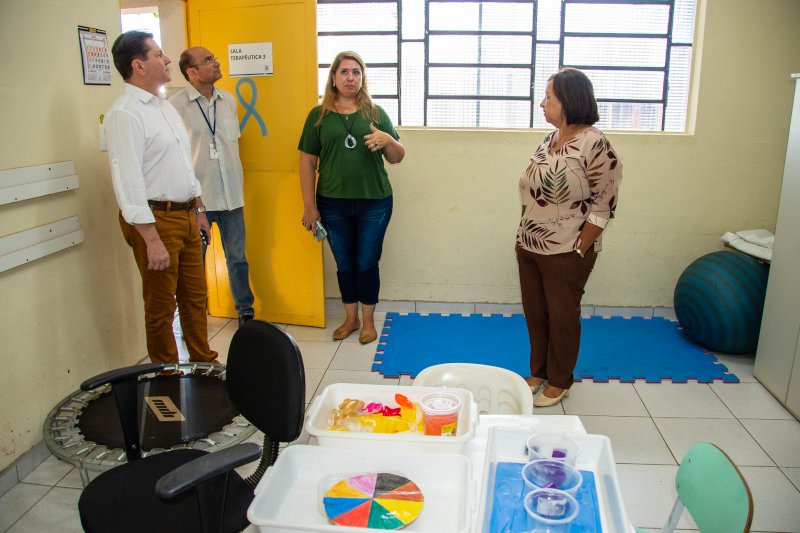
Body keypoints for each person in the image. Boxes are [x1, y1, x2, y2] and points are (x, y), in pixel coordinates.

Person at [103, 31, 218, 364]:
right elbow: (128, 182)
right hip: (156, 221)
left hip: (184, 216)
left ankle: (203, 364)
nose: (168, 59)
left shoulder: (163, 106)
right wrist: (150, 239)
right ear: (138, 65)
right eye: (158, 54)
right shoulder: (125, 113)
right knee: (161, 307)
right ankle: (165, 373)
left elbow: (183, 163)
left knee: (196, 298)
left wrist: (198, 209)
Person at [517, 68, 622, 407]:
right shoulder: (551, 138)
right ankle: (539, 370)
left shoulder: (595, 142)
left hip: (566, 249)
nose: (542, 103)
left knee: (562, 314)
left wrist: (580, 248)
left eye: (549, 97)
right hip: (530, 243)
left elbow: (604, 203)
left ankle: (560, 380)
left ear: (569, 101)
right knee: (536, 311)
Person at [298, 51, 405, 344]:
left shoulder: (376, 113)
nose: (350, 78)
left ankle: (369, 322)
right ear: (333, 77)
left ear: (362, 78)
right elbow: (306, 162)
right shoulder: (317, 116)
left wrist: (389, 140)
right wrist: (310, 206)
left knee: (367, 263)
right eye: (344, 72)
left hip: (375, 203)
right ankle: (351, 319)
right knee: (345, 264)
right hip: (332, 204)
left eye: (356, 72)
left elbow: (397, 157)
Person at [169, 47, 256, 328]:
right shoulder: (175, 106)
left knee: (238, 259)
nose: (216, 62)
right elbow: (175, 158)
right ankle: (192, 316)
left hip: (231, 197)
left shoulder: (228, 100)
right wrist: (195, 204)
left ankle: (245, 311)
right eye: (208, 60)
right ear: (192, 72)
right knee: (195, 264)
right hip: (199, 202)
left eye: (214, 57)